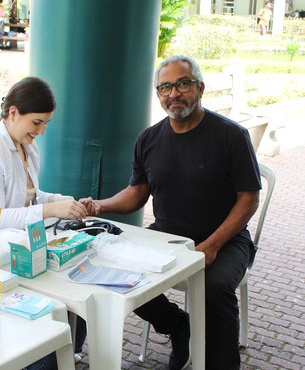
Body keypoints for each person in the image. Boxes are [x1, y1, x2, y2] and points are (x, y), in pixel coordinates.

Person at [80, 54, 261, 370]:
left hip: (227, 240)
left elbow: (248, 199)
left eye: (182, 84)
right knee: (111, 270)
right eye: (164, 87)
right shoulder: (149, 138)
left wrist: (213, 245)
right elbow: (137, 193)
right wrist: (99, 206)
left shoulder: (231, 136)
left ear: (200, 88)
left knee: (214, 287)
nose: (173, 94)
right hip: (167, 235)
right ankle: (178, 327)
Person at [0, 76, 88, 368]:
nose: (41, 131)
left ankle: (61, 349)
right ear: (13, 113)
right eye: (37, 122)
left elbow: (31, 197)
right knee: (59, 293)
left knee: (74, 287)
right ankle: (42, 356)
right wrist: (52, 211)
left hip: (17, 246)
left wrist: (59, 201)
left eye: (46, 123)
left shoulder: (27, 146)